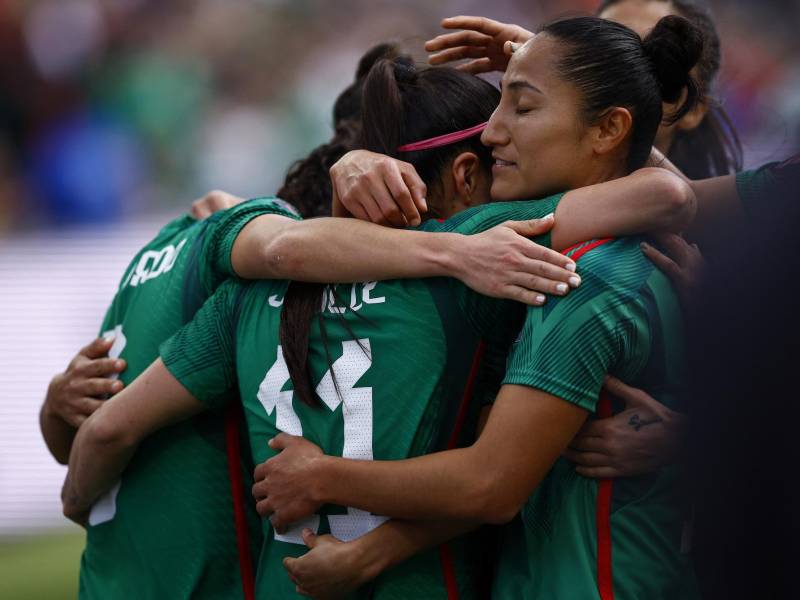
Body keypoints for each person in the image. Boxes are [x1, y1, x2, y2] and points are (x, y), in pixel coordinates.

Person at [60, 41, 696, 600]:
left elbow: (103, 431)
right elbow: (663, 195)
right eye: (494, 145)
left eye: (522, 112)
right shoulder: (477, 253)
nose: (505, 143)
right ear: (466, 174)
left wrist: (75, 498)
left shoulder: (242, 292)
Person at [254, 16, 708, 599]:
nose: (492, 134)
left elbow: (492, 484)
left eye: (522, 107)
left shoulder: (579, 275)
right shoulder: (620, 256)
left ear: (607, 129)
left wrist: (320, 476)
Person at [426, 2, 742, 179]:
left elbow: (677, 200)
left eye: (651, 57)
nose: (625, 64)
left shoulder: (710, 244)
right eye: (606, 44)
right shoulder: (501, 175)